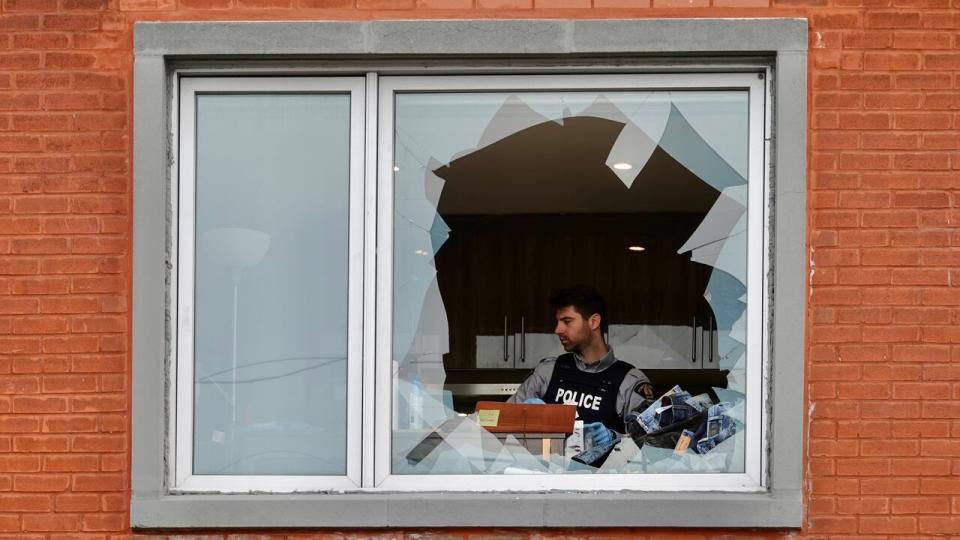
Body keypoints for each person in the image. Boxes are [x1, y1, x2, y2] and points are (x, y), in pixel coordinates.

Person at [507, 285, 654, 449]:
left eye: (567, 321)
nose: (557, 330)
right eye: (557, 322)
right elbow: (500, 422)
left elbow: (649, 443)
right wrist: (521, 414)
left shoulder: (629, 381)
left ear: (593, 322)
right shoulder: (548, 371)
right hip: (547, 473)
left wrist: (613, 437)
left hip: (603, 474)